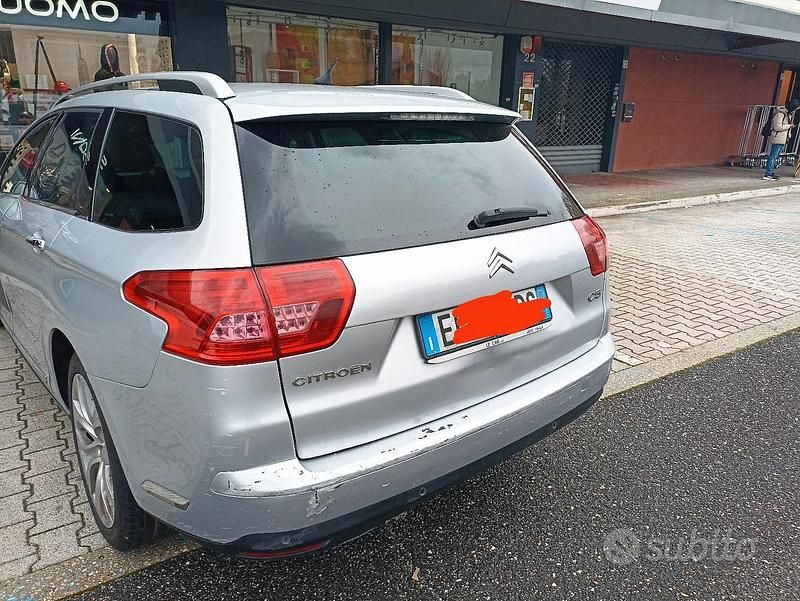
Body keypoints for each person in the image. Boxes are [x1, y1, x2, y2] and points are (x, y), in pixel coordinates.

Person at [763, 99, 800, 181]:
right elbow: (777, 127)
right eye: (794, 109)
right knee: (772, 156)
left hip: (782, 138)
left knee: (775, 156)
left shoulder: (787, 115)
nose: (794, 112)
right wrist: (790, 126)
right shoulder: (780, 114)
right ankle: (768, 174)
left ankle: (770, 172)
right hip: (778, 137)